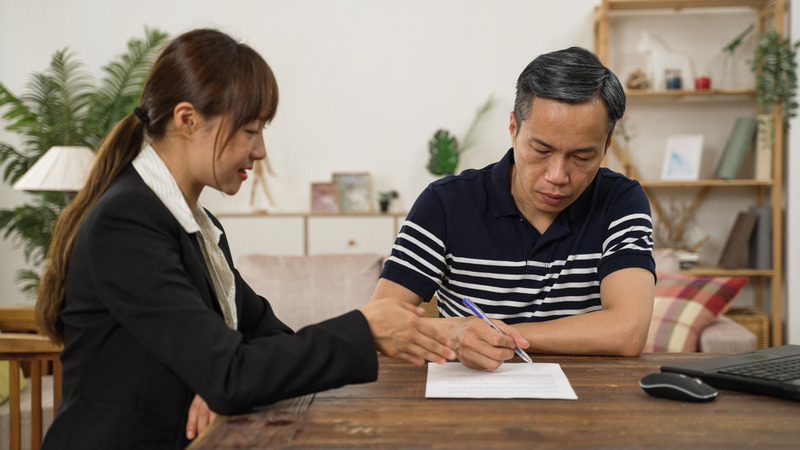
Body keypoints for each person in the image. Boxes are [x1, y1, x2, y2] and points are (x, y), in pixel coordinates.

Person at [36, 28, 455, 449]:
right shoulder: (126, 222)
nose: (261, 151)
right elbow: (232, 373)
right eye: (250, 131)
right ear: (187, 119)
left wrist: (219, 382)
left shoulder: (197, 227)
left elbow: (268, 341)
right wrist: (363, 329)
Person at [370, 46, 656, 370]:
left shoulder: (621, 200)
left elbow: (628, 333)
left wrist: (491, 335)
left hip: (586, 404)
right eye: (541, 150)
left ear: (606, 145)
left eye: (582, 157)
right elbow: (381, 326)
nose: (557, 176)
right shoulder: (445, 203)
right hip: (463, 400)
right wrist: (454, 334)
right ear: (513, 129)